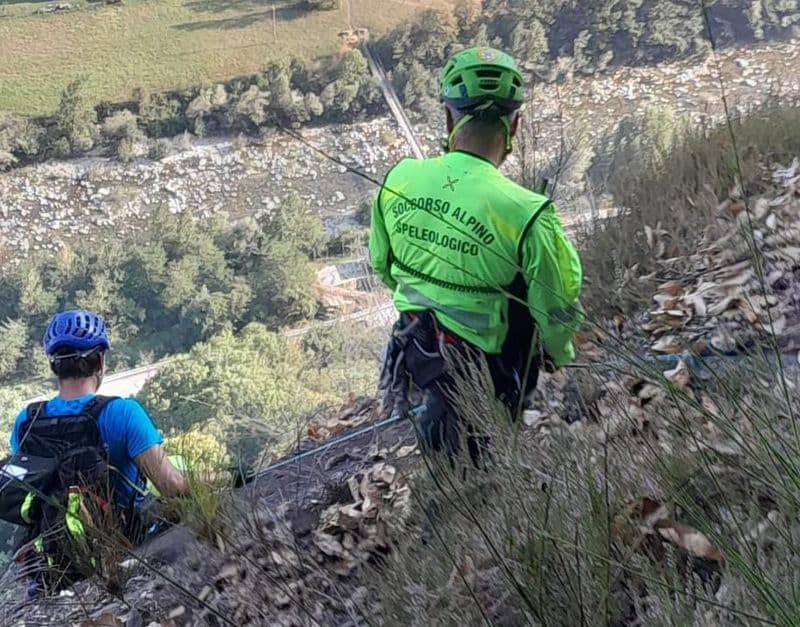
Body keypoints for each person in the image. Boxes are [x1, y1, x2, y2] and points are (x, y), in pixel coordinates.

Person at [370, 47, 583, 463]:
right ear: (514, 125)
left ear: (449, 118)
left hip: (419, 351)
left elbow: (383, 265)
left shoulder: (400, 178)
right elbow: (557, 305)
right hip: (491, 369)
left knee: (445, 451)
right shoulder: (527, 212)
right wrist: (559, 354)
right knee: (479, 456)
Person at [5, 310, 187, 593]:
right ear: (100, 360)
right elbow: (172, 485)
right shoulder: (122, 412)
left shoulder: (26, 420)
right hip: (121, 544)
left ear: (55, 366)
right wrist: (224, 478)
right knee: (176, 470)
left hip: (52, 559)